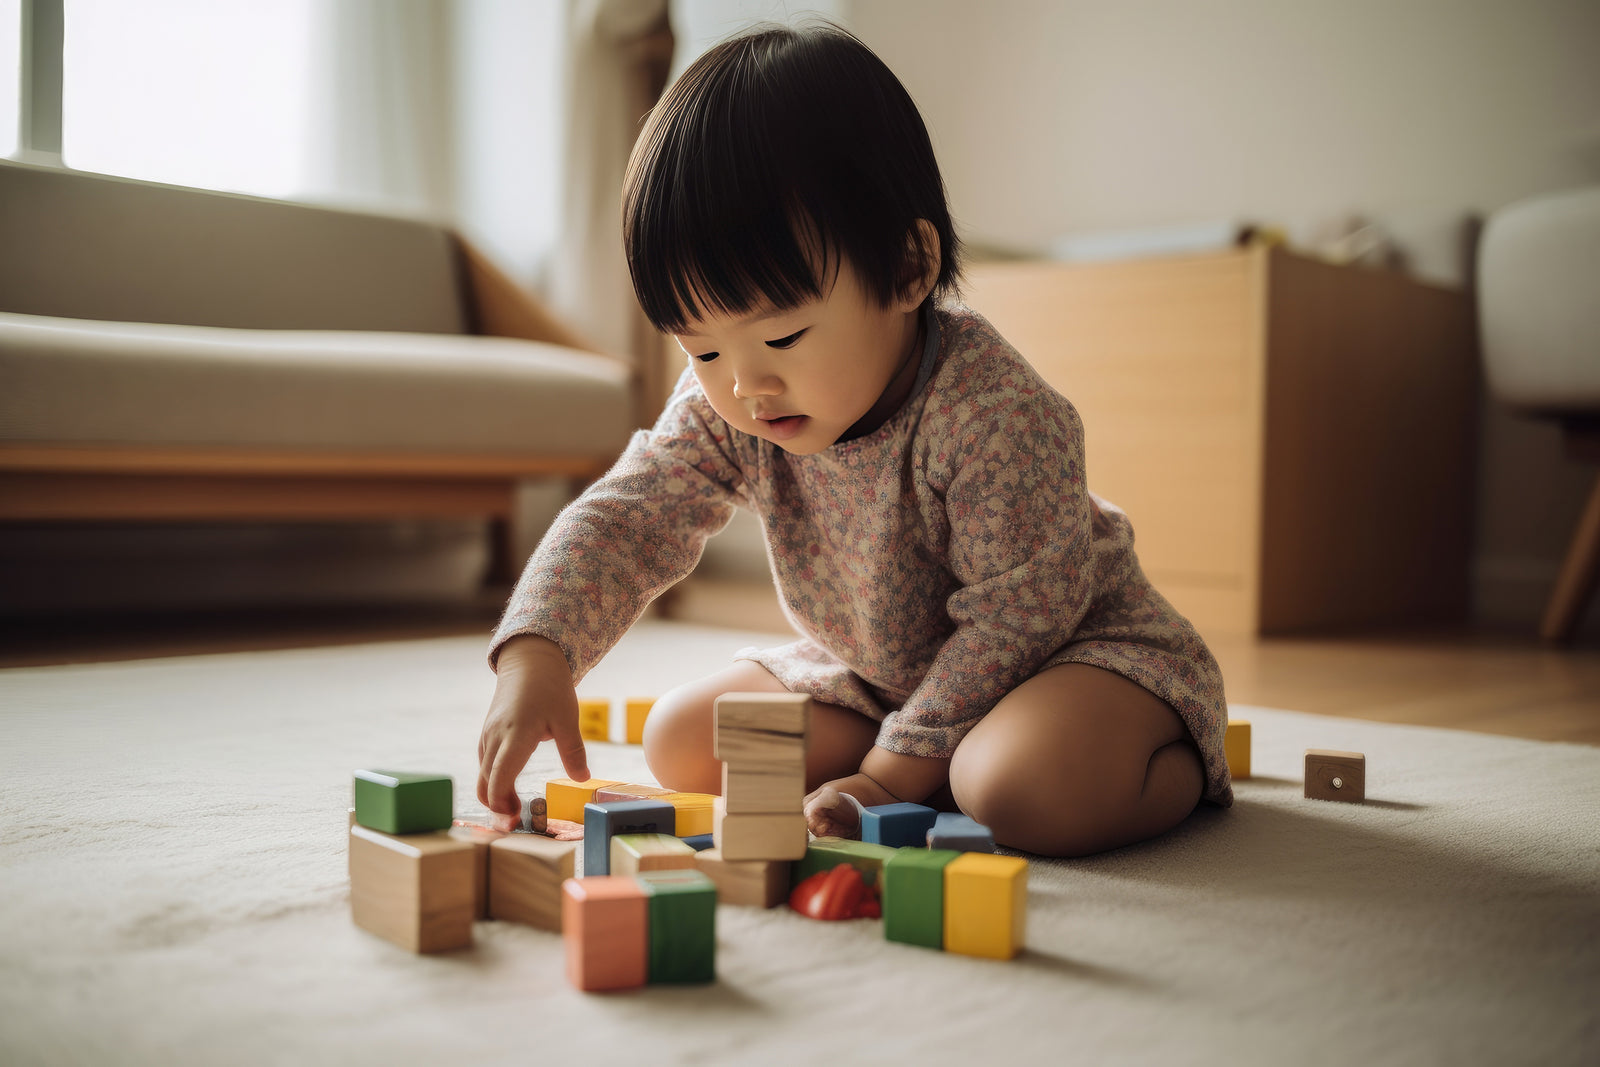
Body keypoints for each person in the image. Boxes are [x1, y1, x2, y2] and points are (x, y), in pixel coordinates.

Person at [477, 20, 1231, 857]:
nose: (744, 387)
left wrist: (887, 779)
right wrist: (539, 653)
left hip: (1068, 655)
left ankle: (1174, 755)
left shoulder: (997, 414)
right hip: (881, 678)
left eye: (784, 337)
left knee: (1018, 789)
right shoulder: (733, 401)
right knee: (683, 742)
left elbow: (1020, 621)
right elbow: (628, 516)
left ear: (909, 270)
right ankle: (944, 757)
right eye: (702, 348)